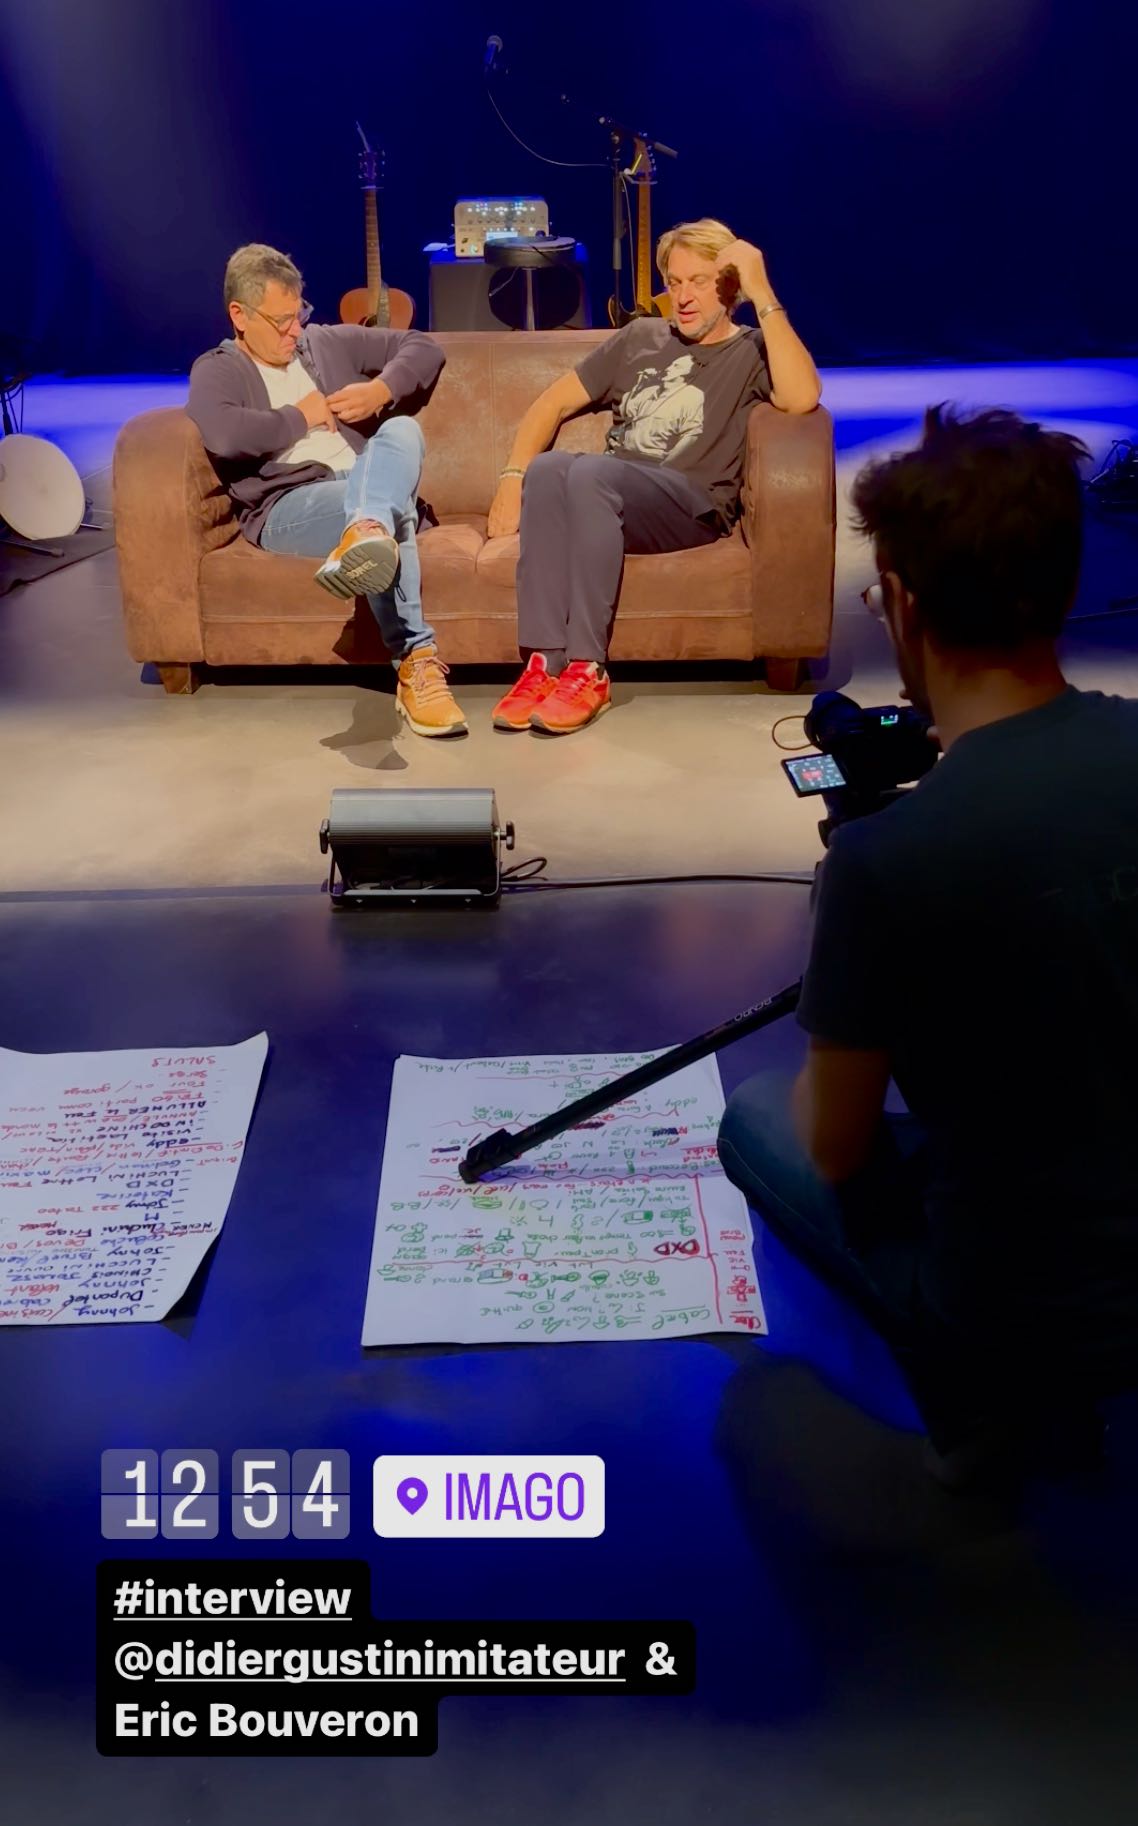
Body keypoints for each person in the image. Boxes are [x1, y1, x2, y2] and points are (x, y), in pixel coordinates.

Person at [717, 405, 1138, 1485]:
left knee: (758, 1116)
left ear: (901, 603)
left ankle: (983, 1419)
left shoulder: (887, 859)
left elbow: (835, 1144)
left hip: (1017, 1301)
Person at [486, 218, 822, 736]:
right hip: (613, 494)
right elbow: (552, 403)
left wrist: (763, 293)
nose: (683, 297)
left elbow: (802, 398)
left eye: (699, 282)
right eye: (675, 282)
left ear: (729, 287)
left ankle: (588, 670)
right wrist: (513, 477)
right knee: (549, 469)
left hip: (691, 504)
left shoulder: (752, 350)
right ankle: (544, 664)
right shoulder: (641, 336)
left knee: (591, 472)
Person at [187, 244, 465, 736]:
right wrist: (303, 415)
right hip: (289, 507)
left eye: (299, 315)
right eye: (281, 322)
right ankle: (416, 660)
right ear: (240, 315)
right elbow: (225, 435)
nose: (295, 331)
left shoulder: (322, 344)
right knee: (391, 511)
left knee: (402, 430)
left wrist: (381, 390)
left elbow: (424, 346)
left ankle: (366, 528)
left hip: (361, 484)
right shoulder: (218, 368)